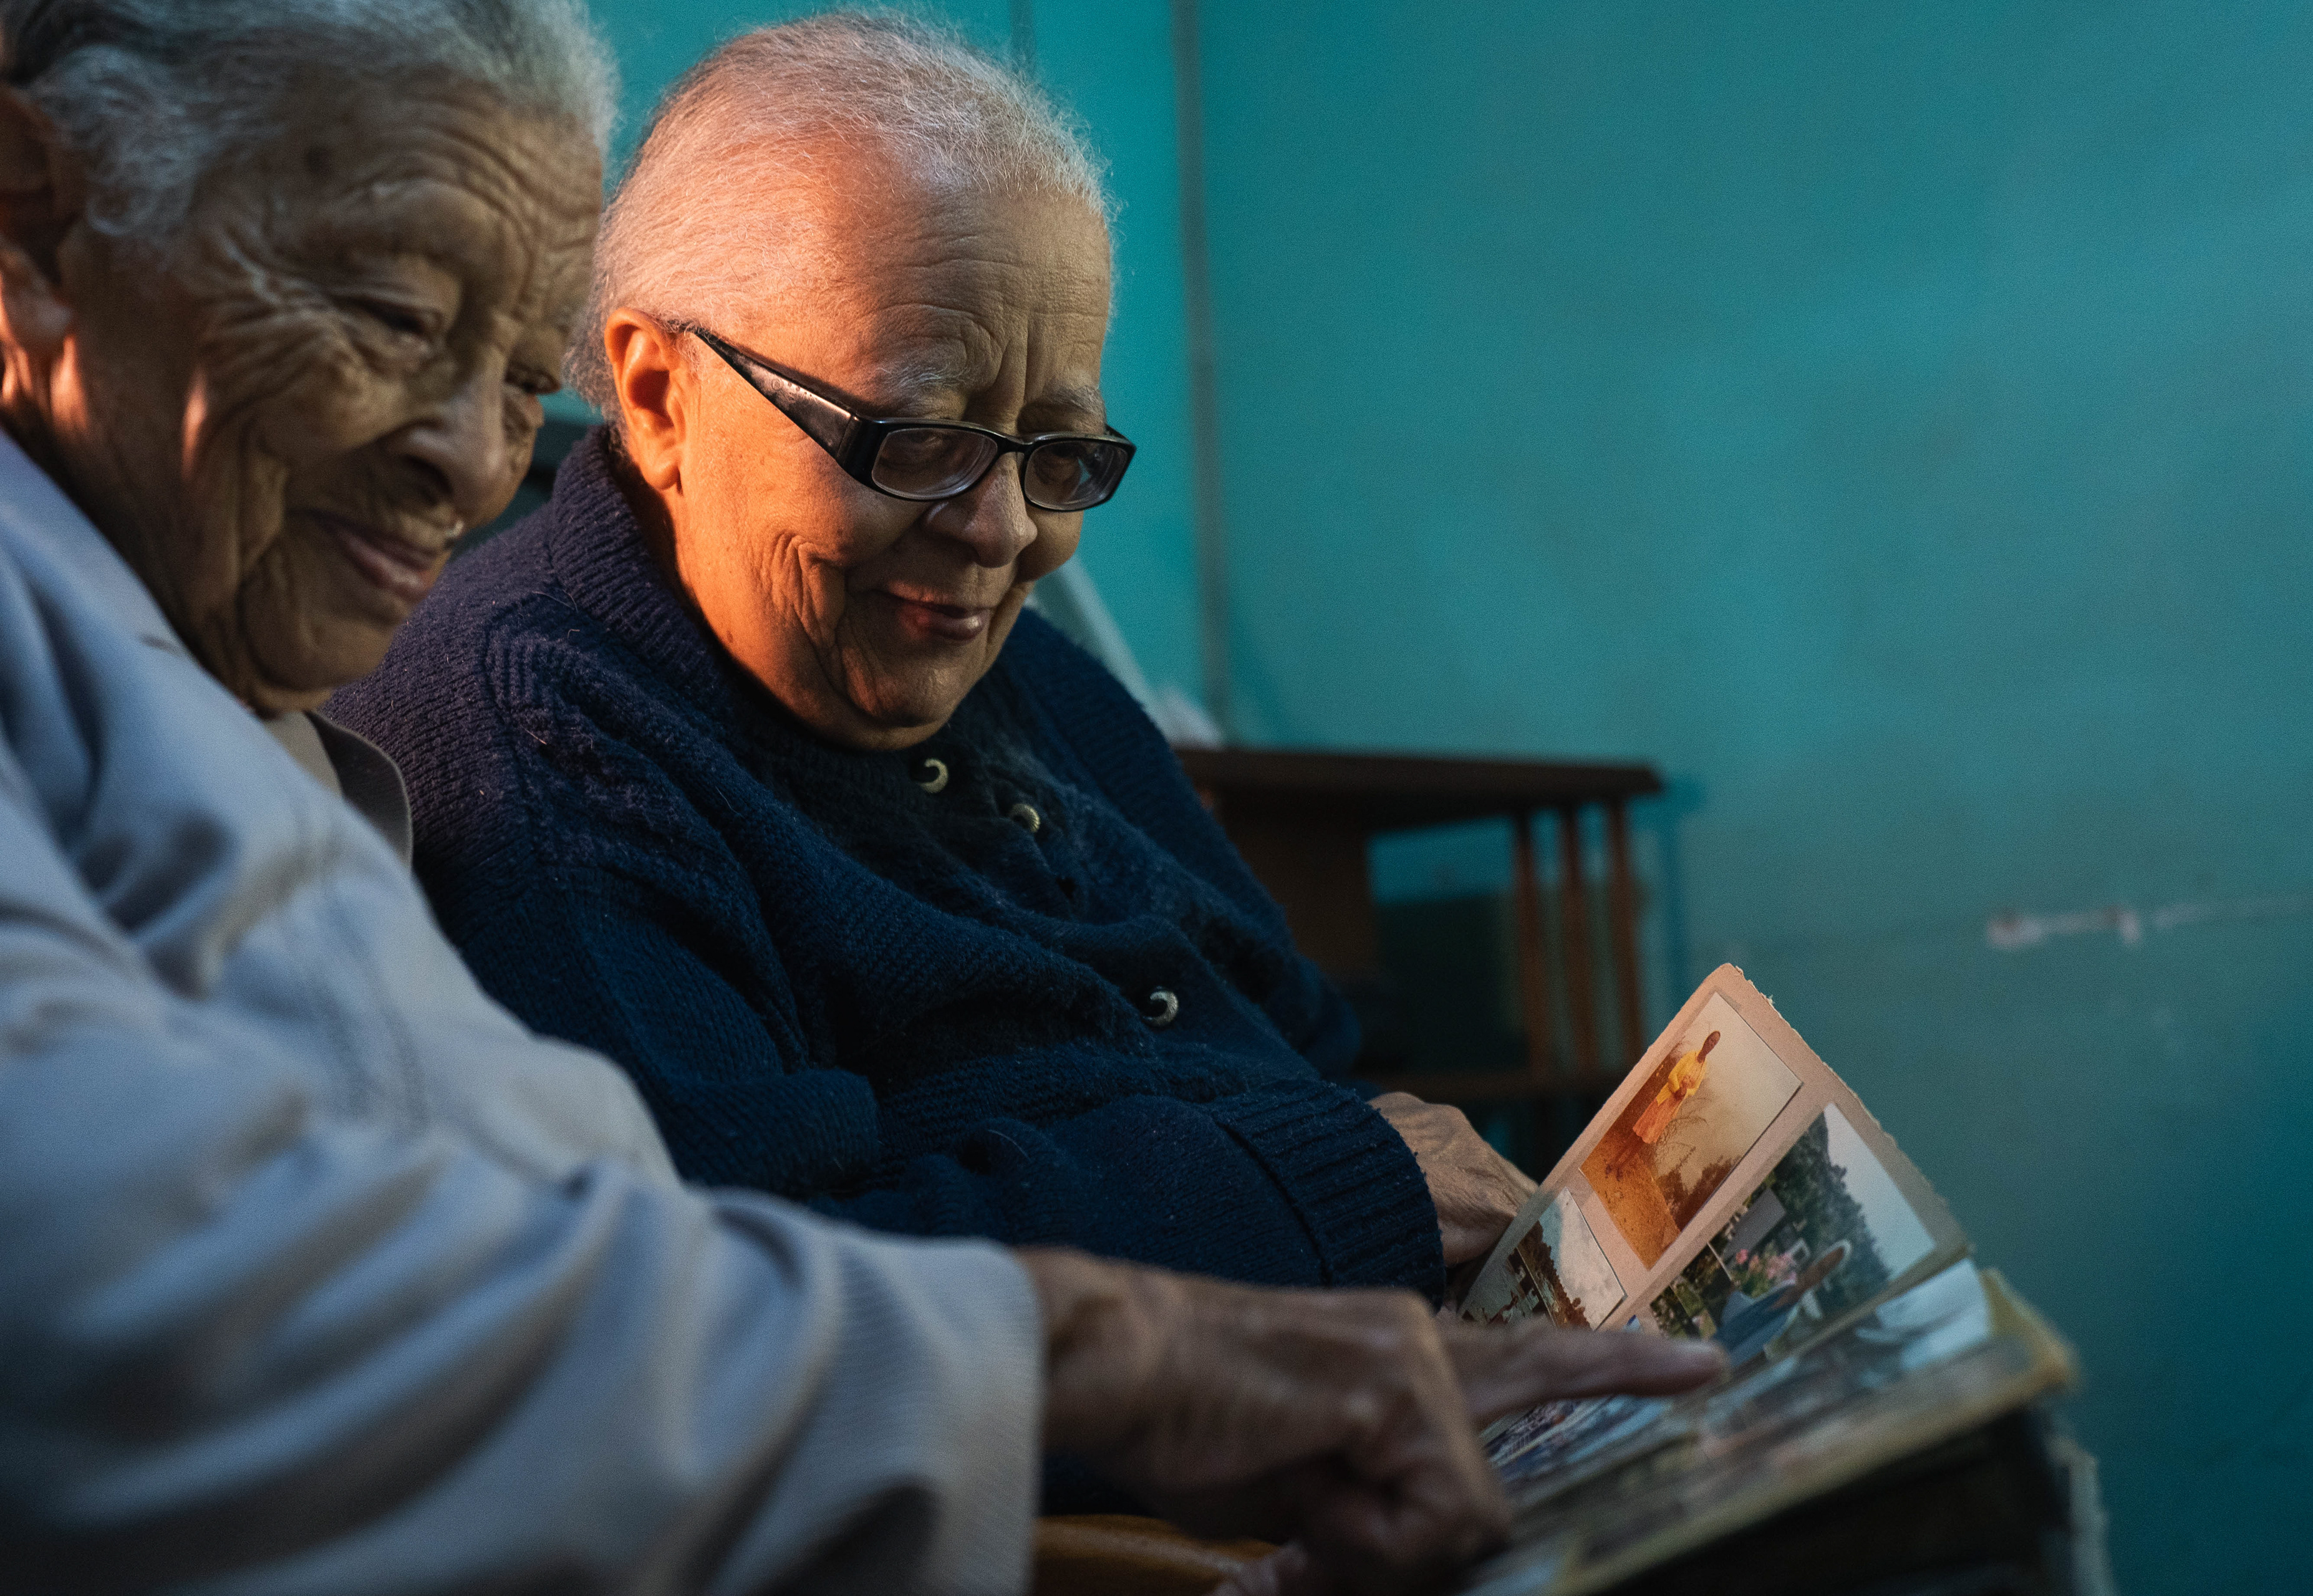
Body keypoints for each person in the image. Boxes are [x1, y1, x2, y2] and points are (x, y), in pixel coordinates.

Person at [0, 3, 1723, 1592]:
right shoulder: (496, 712)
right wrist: (1141, 1339)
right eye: (389, 320)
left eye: (519, 385)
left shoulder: (240, 704)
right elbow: (195, 1327)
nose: (467, 463)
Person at [329, 10, 1535, 1306]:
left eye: (1059, 453)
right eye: (914, 439)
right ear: (658, 396)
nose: (1005, 533)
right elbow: (748, 1317)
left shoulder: (1029, 683)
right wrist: (1328, 1189)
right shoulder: (534, 748)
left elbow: (1312, 1051)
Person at [1714, 1241, 1855, 1368]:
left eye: (1821, 1270)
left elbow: (1768, 1352)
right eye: (1818, 1263)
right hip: (1722, 1338)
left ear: (1822, 1282)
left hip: (1730, 1363)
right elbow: (1753, 1307)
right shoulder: (1786, 1285)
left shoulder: (1797, 1316)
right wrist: (1734, 1295)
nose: (1813, 1269)